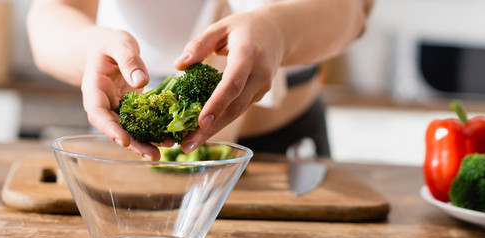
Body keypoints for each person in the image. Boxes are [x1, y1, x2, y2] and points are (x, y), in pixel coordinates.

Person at [27, 0, 374, 160]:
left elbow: (354, 11)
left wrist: (277, 32)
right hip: (143, 150)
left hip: (287, 151)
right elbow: (48, 15)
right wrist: (89, 47)